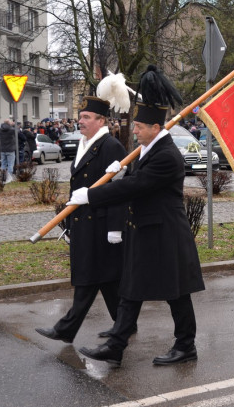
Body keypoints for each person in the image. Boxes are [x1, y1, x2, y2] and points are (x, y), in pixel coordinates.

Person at [77, 67, 204, 367]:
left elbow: (137, 186)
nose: (134, 130)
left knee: (177, 293)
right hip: (146, 231)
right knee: (131, 289)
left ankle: (186, 346)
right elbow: (135, 178)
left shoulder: (166, 155)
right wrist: (120, 170)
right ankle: (116, 345)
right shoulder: (149, 149)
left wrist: (91, 195)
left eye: (139, 126)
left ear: (155, 128)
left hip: (165, 233)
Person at [35, 95, 127, 345]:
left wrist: (116, 227)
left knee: (91, 277)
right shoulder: (85, 143)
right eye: (80, 117)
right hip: (84, 222)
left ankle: (68, 328)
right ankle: (124, 325)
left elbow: (120, 191)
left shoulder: (111, 147)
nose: (80, 121)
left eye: (86, 117)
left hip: (101, 224)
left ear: (101, 120)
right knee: (106, 279)